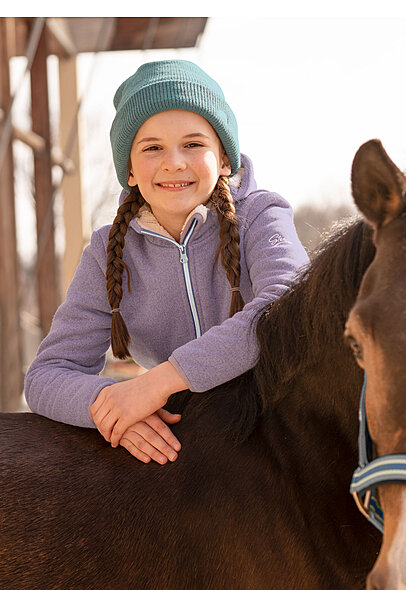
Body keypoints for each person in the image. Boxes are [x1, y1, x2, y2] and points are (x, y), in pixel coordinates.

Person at [25, 59, 309, 465]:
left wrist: (159, 382)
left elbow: (284, 310)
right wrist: (112, 407)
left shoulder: (261, 215)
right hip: (190, 440)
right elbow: (46, 376)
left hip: (288, 433)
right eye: (152, 147)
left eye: (193, 144)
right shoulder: (109, 252)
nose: (174, 161)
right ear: (130, 171)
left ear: (225, 159)